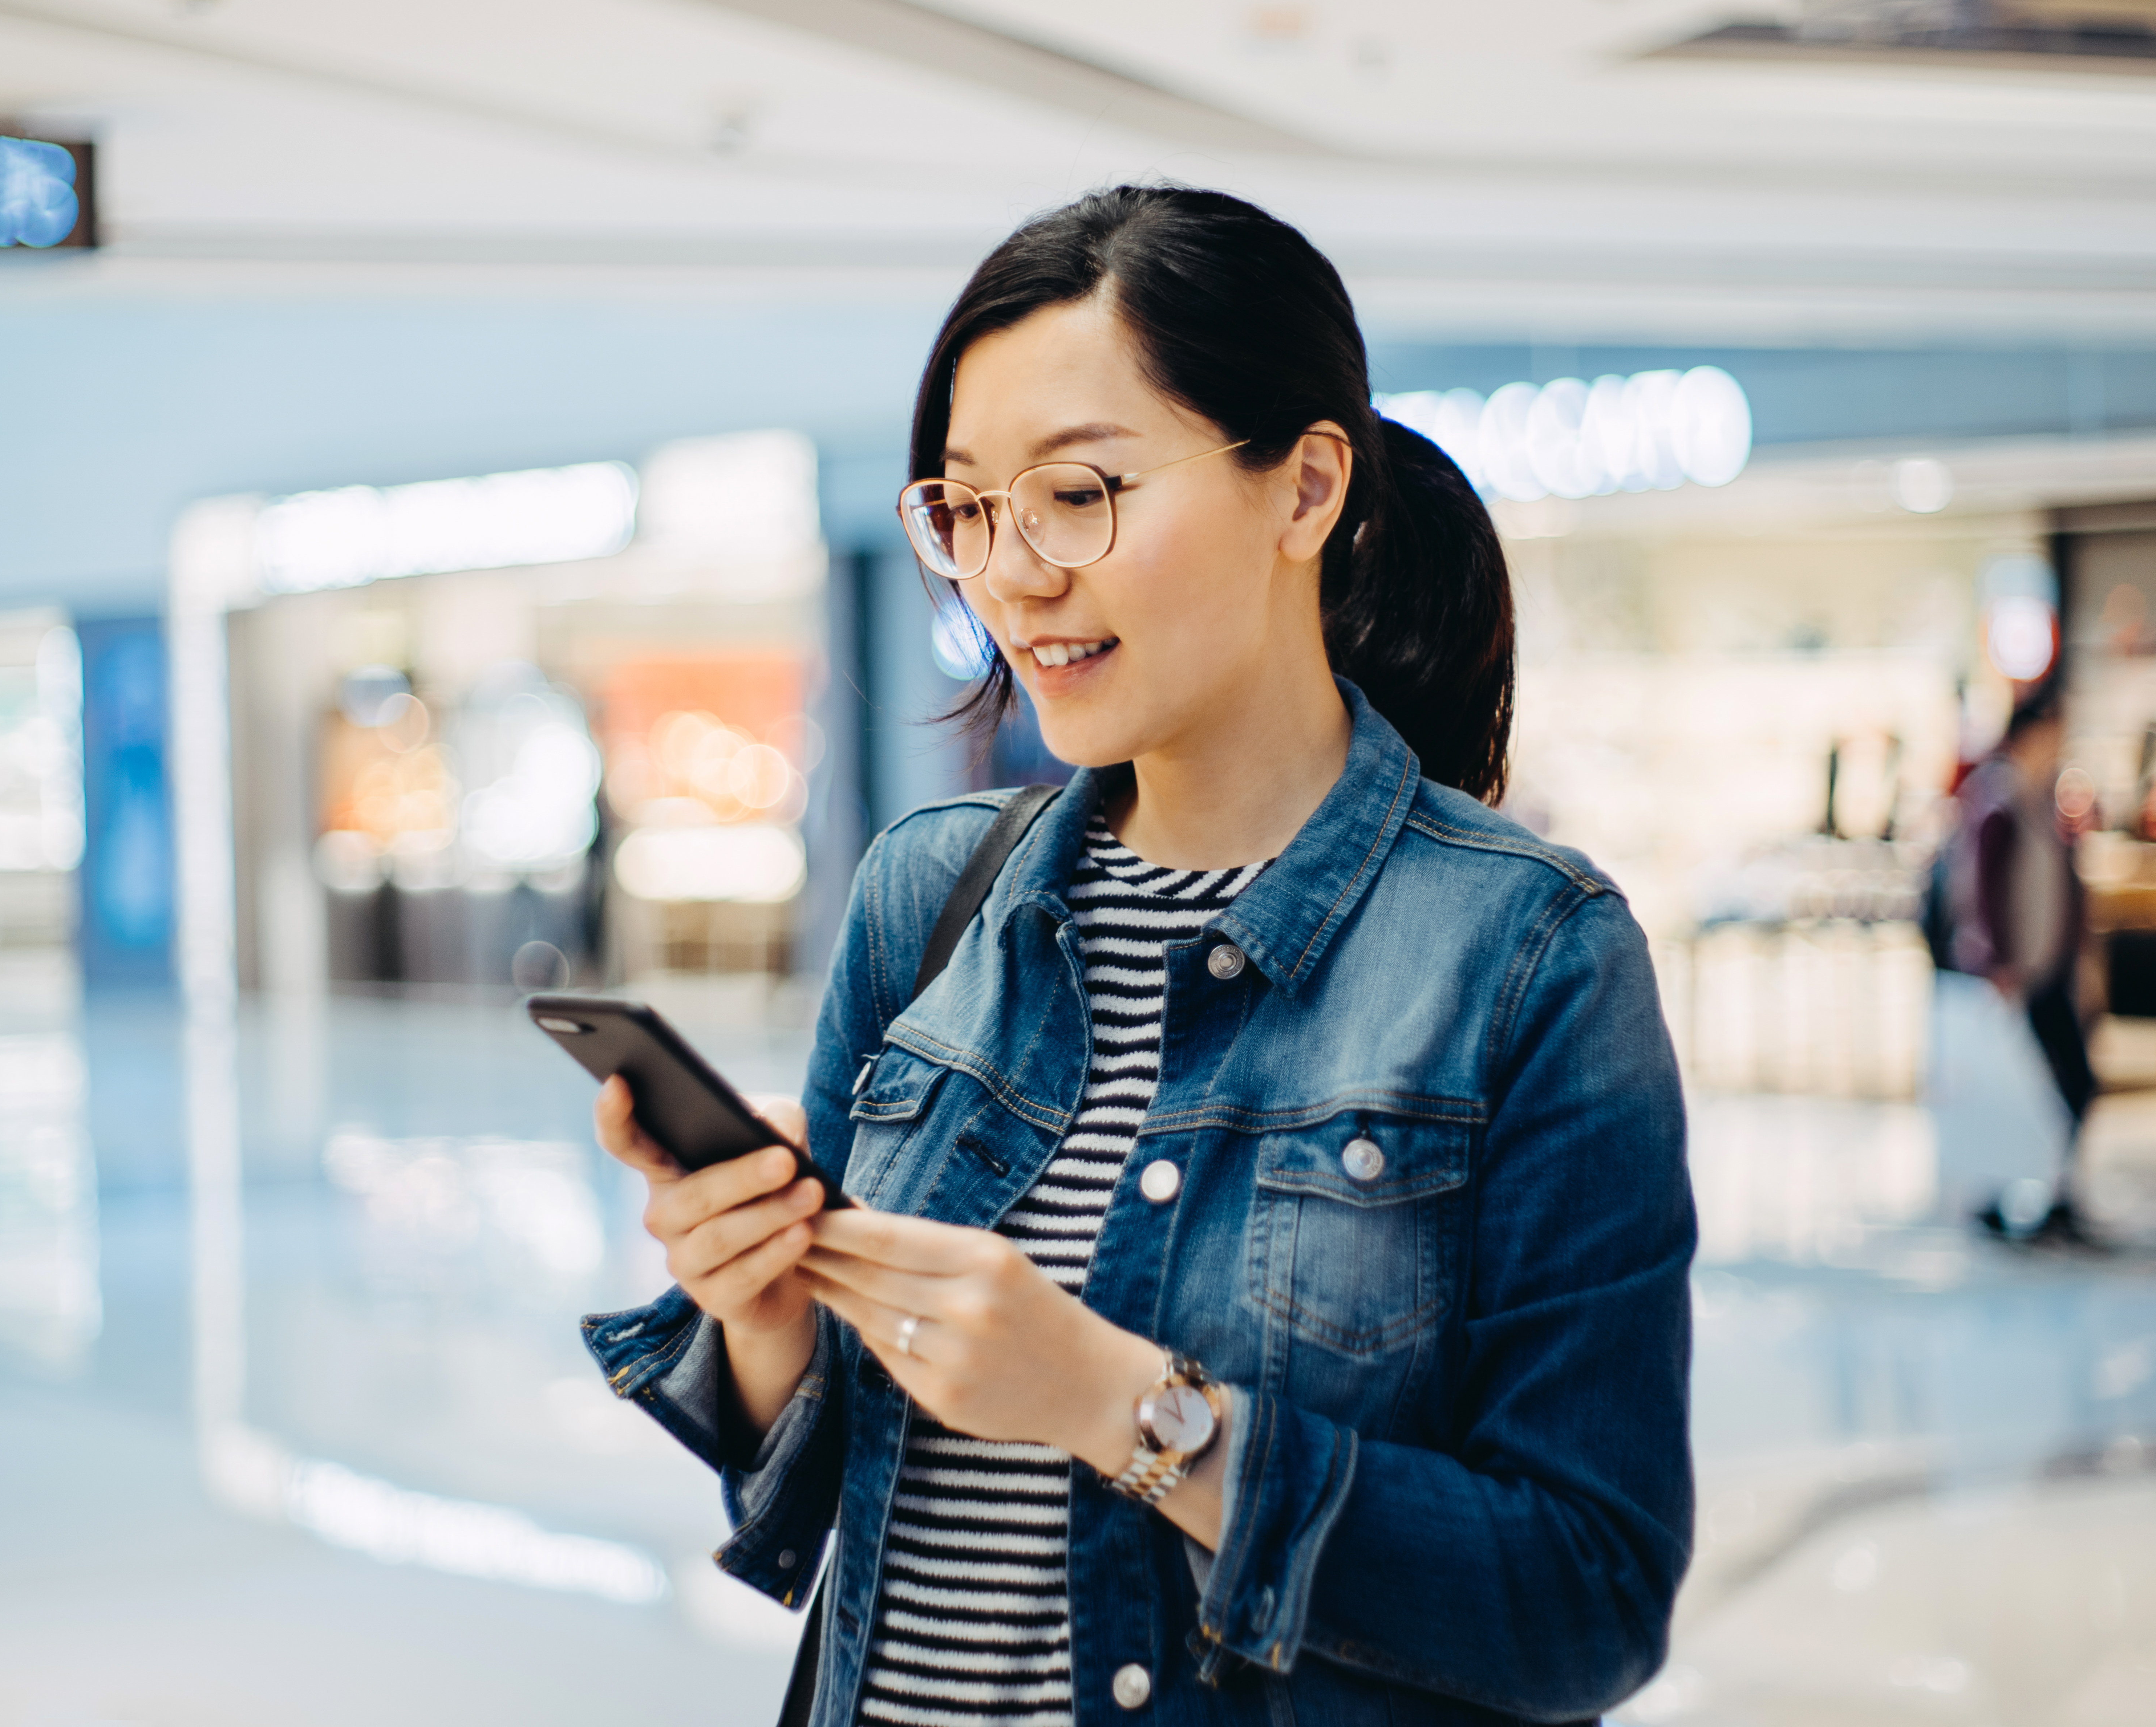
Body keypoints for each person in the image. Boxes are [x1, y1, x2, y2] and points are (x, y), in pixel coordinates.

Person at [586, 188, 1694, 1726]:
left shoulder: (1524, 953)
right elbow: (833, 1480)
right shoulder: (931, 892)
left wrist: (1122, 1406)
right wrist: (767, 1307)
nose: (1009, 575)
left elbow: (1586, 1601)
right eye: (968, 508)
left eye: (1078, 492)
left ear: (1305, 486)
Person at [1944, 692, 2099, 1243]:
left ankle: (2050, 1195)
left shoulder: (2041, 801)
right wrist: (1999, 966)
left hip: (2047, 971)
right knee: (2036, 1089)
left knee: (2065, 1087)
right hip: (2015, 978)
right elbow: (1979, 892)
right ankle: (2014, 1197)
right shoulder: (1999, 800)